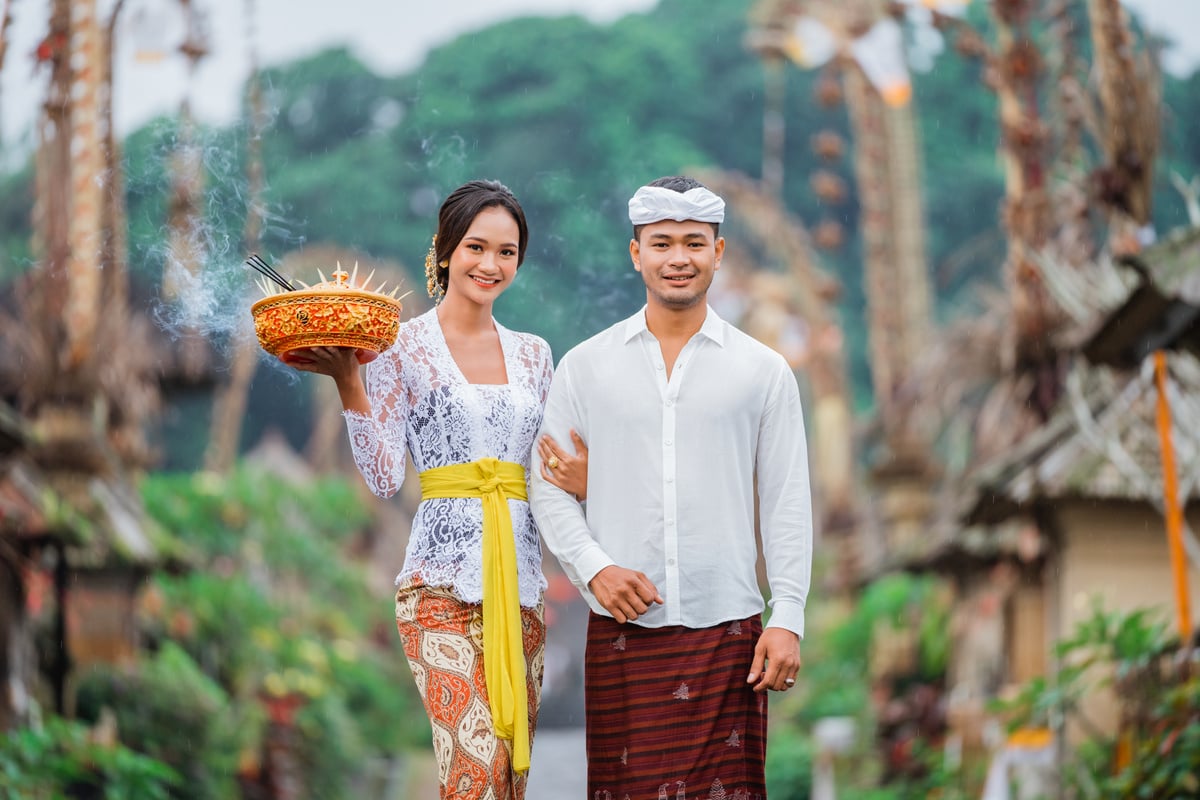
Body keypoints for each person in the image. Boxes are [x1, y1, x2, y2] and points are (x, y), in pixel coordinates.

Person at [287, 179, 585, 799]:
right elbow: (385, 476)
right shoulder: (400, 344)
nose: (491, 264)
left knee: (508, 776)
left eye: (507, 252)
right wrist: (349, 383)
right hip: (438, 589)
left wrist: (583, 484)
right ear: (446, 250)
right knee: (472, 771)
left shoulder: (535, 354)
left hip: (522, 589)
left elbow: (549, 468)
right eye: (477, 247)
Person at [529, 176, 813, 800]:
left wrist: (787, 614)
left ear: (719, 251)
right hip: (622, 632)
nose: (677, 258)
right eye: (661, 243)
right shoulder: (585, 367)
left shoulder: (763, 373)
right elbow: (546, 486)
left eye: (693, 242)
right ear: (636, 254)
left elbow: (788, 502)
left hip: (729, 631)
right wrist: (596, 568)